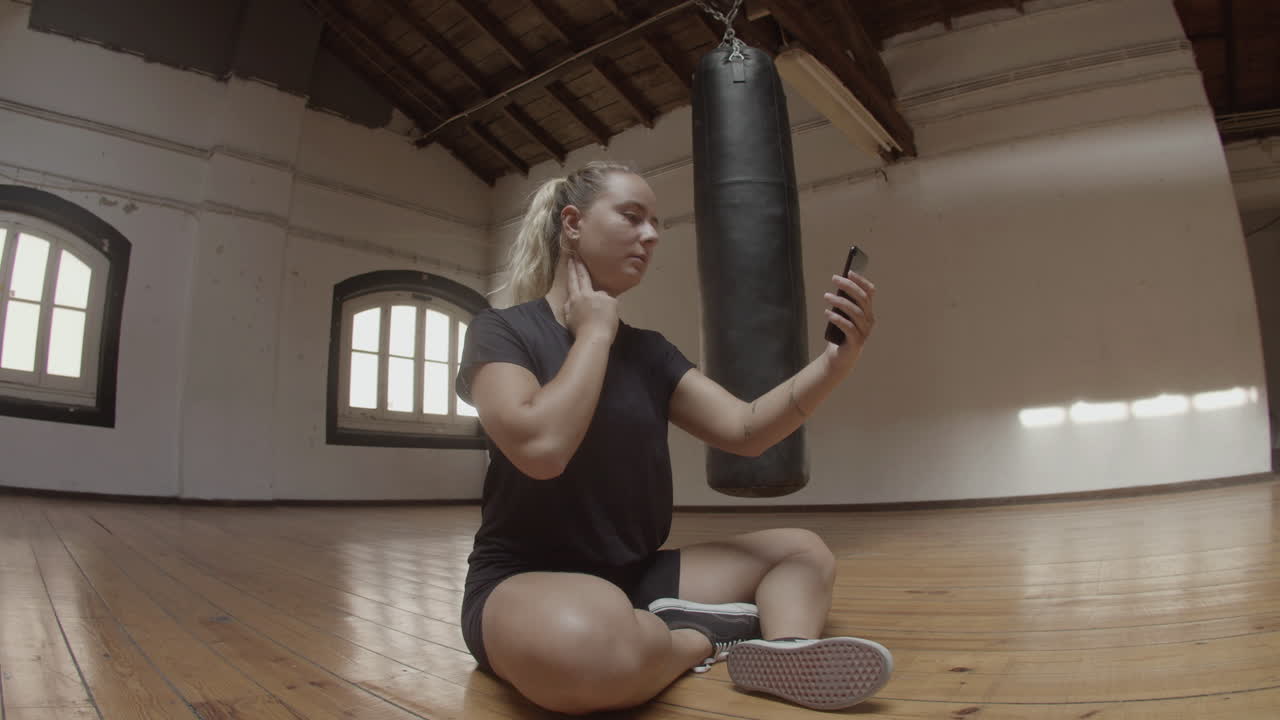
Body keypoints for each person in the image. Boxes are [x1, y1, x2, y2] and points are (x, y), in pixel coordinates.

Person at [455, 160, 888, 714]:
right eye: (633, 217)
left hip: (636, 574)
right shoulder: (502, 330)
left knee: (803, 552)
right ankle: (702, 637)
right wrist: (593, 332)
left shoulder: (650, 352)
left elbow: (747, 429)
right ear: (572, 224)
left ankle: (784, 651)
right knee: (584, 656)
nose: (652, 236)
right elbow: (541, 451)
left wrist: (836, 362)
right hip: (525, 580)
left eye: (656, 223)